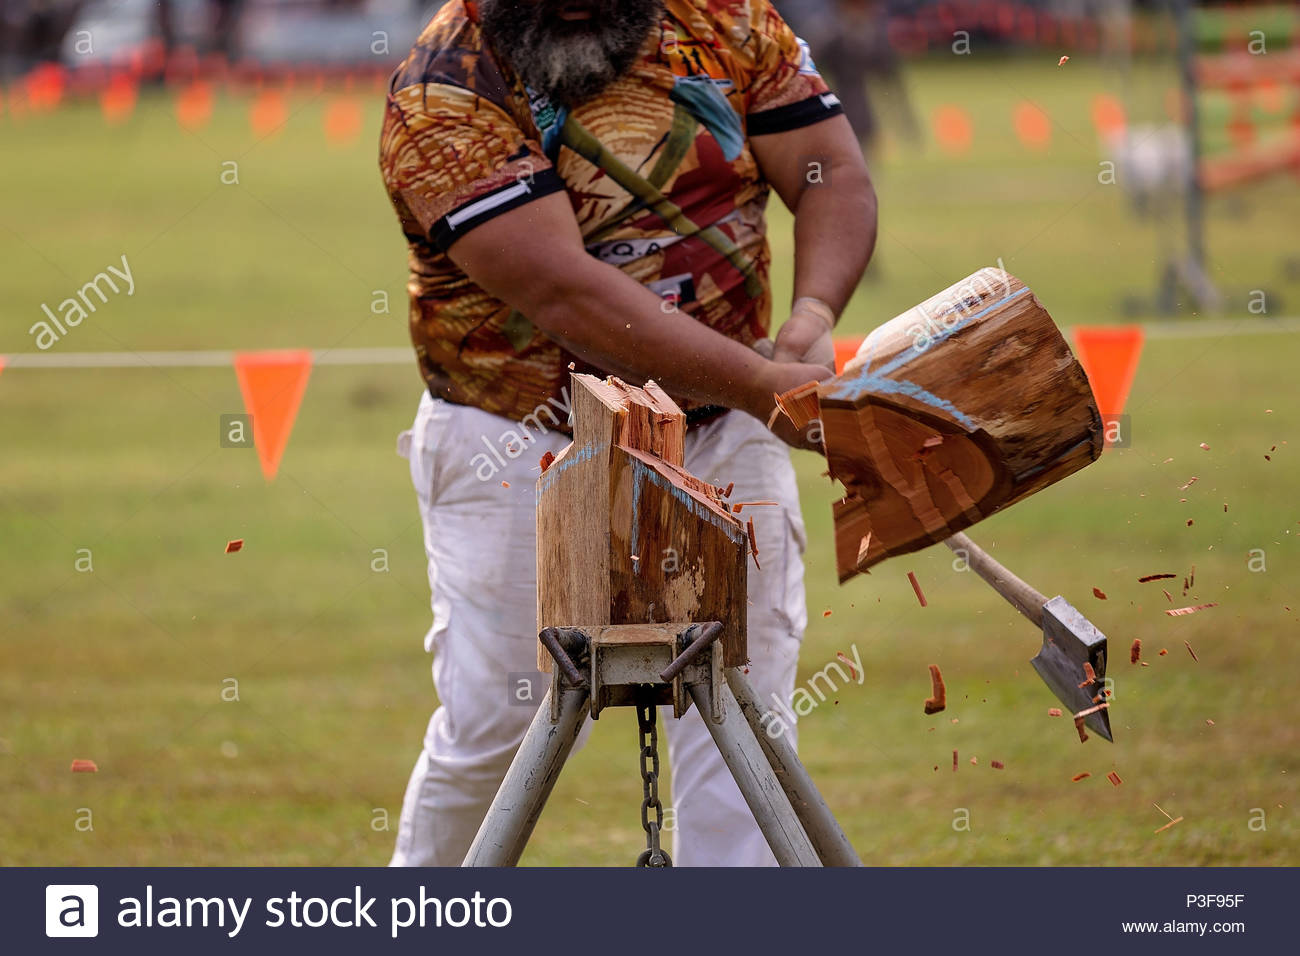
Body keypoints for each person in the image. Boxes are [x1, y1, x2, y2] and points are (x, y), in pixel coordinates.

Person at [379, 0, 876, 867]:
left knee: (744, 724)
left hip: (723, 426)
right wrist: (765, 383)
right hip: (519, 439)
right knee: (492, 728)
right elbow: (567, 296)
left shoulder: (728, 20)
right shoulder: (442, 87)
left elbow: (830, 167)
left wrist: (811, 314)